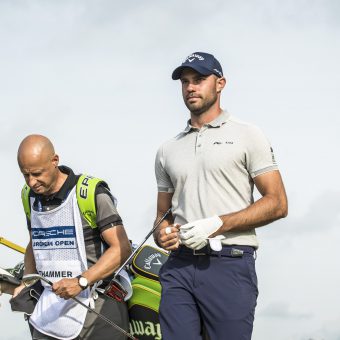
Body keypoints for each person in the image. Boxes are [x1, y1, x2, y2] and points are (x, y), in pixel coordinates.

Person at [153, 52, 288, 340]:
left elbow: (277, 203)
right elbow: (162, 216)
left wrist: (215, 224)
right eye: (185, 82)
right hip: (179, 264)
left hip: (230, 261)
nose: (190, 88)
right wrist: (163, 233)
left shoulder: (248, 135)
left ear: (220, 83)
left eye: (199, 80)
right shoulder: (167, 149)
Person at [13, 134, 131, 340]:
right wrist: (27, 282)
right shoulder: (28, 196)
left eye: (37, 173)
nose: (32, 182)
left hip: (97, 309)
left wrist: (81, 282)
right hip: (49, 311)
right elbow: (36, 242)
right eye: (26, 175)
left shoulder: (91, 193)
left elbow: (121, 249)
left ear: (54, 161)